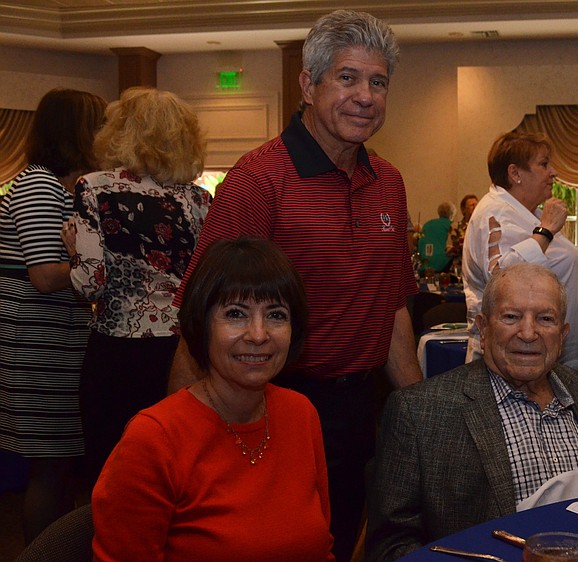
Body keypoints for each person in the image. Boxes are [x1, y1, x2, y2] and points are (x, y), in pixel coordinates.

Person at [166, 11, 421, 561]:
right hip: (269, 406)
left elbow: (392, 304)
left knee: (337, 540)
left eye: (378, 82)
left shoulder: (390, 183)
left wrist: (420, 410)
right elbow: (200, 311)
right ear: (308, 84)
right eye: (347, 77)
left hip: (357, 412)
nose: (365, 96)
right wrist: (179, 437)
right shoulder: (260, 177)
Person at [91, 238, 333, 561]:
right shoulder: (153, 440)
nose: (258, 334)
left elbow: (320, 549)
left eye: (276, 315)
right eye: (236, 314)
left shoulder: (300, 413)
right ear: (202, 324)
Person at [367, 263, 578, 561]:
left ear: (562, 335)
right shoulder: (420, 412)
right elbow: (390, 547)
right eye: (511, 317)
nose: (528, 332)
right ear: (483, 328)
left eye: (545, 319)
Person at [60, 87, 211, 489]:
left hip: (119, 351)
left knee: (115, 474)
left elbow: (89, 284)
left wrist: (74, 250)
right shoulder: (199, 199)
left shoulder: (95, 188)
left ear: (121, 132)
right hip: (184, 354)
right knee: (175, 470)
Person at [0, 88, 106, 542]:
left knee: (59, 466)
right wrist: (102, 268)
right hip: (37, 346)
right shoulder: (39, 184)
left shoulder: (57, 184)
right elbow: (45, 275)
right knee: (51, 466)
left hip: (53, 343)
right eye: (98, 124)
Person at [463, 131, 578, 377]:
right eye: (544, 164)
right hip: (515, 359)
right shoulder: (495, 213)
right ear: (515, 174)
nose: (553, 172)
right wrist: (545, 231)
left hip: (551, 358)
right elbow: (502, 281)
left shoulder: (525, 213)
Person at [417, 201, 454, 273]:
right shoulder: (451, 225)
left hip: (425, 264)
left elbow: (420, 243)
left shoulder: (427, 224)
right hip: (444, 265)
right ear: (452, 214)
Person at [446, 193, 478, 265]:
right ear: (463, 209)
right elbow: (448, 249)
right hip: (460, 266)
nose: (475, 207)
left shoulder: (481, 227)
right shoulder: (456, 227)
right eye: (472, 205)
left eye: (477, 205)